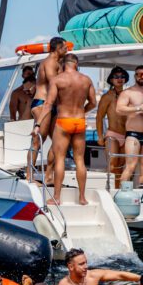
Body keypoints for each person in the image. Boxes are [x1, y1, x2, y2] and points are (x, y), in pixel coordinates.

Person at [36, 53, 96, 205]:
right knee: (80, 160)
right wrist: (83, 111)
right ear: (76, 64)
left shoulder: (58, 80)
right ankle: (82, 198)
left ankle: (56, 197)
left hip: (63, 121)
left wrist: (38, 124)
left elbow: (48, 105)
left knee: (60, 159)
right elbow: (93, 103)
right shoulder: (86, 80)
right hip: (80, 121)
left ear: (63, 65)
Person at [28, 37, 68, 183]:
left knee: (57, 141)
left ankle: (49, 175)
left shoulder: (57, 63)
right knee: (38, 141)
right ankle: (29, 176)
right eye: (64, 48)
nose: (67, 50)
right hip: (42, 104)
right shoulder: (50, 62)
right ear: (57, 48)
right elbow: (55, 83)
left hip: (53, 105)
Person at [54, 248, 140, 285]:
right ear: (71, 267)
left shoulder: (93, 276)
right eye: (81, 264)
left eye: (86, 263)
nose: (86, 267)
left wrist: (141, 278)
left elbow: (120, 275)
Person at [117, 66, 143, 186]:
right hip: (133, 134)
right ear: (135, 76)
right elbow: (119, 109)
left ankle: (142, 194)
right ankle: (120, 194)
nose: (142, 77)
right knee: (130, 166)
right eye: (139, 74)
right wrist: (138, 108)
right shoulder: (128, 92)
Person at [96, 66, 129, 187]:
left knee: (122, 166)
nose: (119, 79)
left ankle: (118, 190)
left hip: (127, 135)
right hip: (112, 134)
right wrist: (100, 136)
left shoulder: (128, 94)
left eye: (122, 76)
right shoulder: (107, 96)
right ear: (111, 79)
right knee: (113, 164)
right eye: (116, 77)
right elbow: (99, 117)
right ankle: (109, 190)